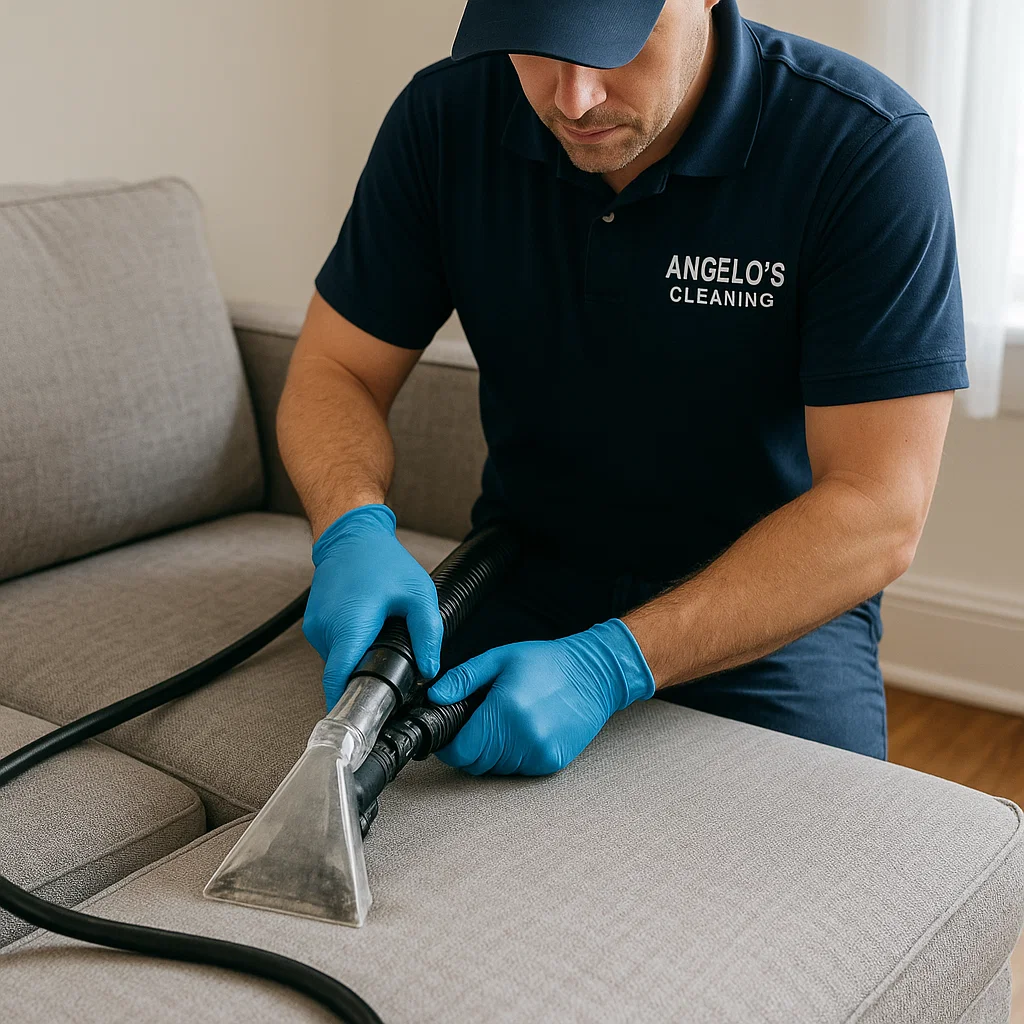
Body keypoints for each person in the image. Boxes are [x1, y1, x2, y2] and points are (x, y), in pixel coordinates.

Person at [277, 0, 968, 776]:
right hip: (522, 574)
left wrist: (614, 663)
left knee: (821, 875)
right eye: (537, 47)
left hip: (770, 608)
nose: (573, 101)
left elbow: (879, 509)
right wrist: (351, 528)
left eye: (611, 47)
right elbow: (338, 370)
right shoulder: (445, 118)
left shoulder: (863, 147)